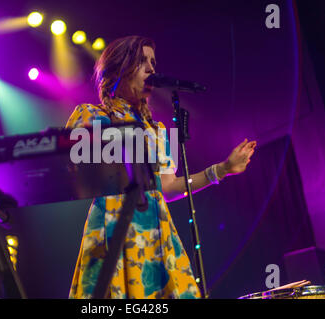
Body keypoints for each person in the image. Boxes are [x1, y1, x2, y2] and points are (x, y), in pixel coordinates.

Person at [65, 35, 256, 299]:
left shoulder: (158, 131)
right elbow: (74, 174)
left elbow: (168, 186)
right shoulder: (91, 115)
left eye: (153, 62)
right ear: (120, 67)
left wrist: (221, 169)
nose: (152, 69)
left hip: (157, 232)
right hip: (115, 231)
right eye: (142, 61)